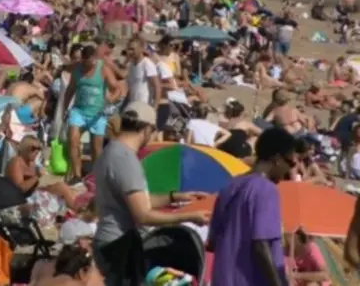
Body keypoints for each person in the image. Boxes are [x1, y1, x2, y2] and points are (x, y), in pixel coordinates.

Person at [92, 101, 209, 284]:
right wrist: (189, 217)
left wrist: (174, 197)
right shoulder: (125, 160)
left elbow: (139, 201)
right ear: (147, 129)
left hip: (109, 240)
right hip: (118, 244)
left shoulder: (111, 151)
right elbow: (143, 215)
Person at [208, 127, 297, 286]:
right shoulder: (266, 189)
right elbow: (261, 245)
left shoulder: (229, 186)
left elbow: (213, 242)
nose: (289, 171)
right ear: (277, 159)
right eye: (290, 162)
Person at [64, 45, 121, 184]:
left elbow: (117, 89)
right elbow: (70, 90)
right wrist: (65, 109)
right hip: (79, 111)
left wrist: (109, 101)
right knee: (73, 141)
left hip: (97, 114)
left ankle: (96, 177)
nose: (85, 65)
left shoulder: (103, 70)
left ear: (94, 60)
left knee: (96, 148)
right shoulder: (77, 71)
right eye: (83, 62)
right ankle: (77, 175)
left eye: (88, 62)